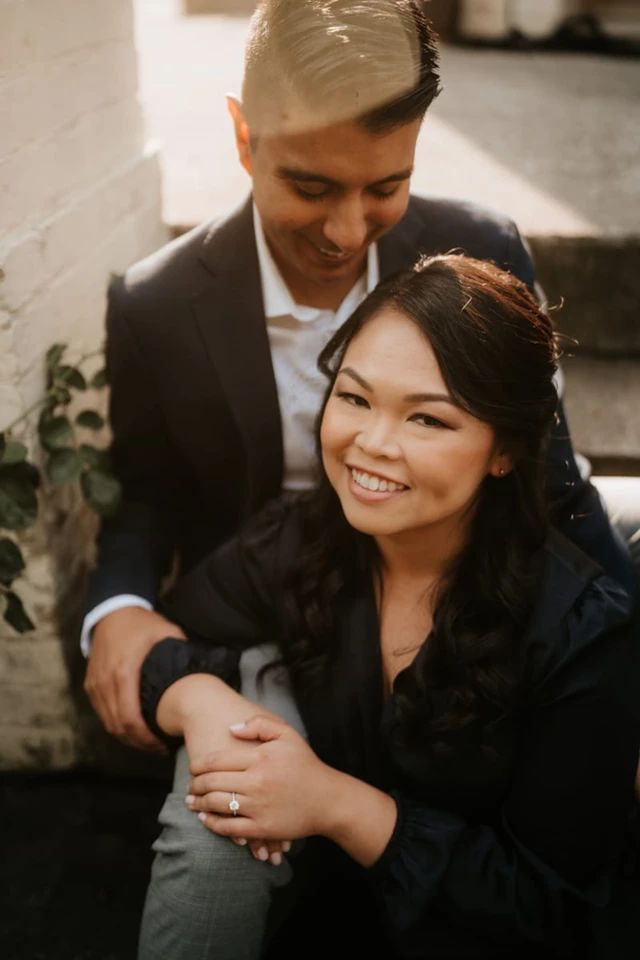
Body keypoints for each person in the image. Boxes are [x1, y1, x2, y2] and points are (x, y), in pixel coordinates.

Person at [138, 254, 640, 959]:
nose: (371, 443)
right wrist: (197, 698)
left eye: (427, 420)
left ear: (504, 451)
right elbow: (164, 637)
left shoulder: (581, 632)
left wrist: (340, 806)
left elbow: (553, 911)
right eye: (354, 398)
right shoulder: (305, 542)